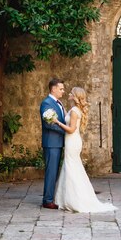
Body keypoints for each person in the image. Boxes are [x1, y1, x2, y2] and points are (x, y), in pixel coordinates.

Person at [53, 87, 117, 213]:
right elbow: (68, 117)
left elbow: (71, 129)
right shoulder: (75, 110)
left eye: (71, 93)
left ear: (75, 96)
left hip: (72, 141)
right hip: (73, 141)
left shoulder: (75, 111)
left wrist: (57, 122)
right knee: (73, 167)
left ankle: (74, 199)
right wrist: (62, 109)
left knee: (71, 168)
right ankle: (70, 197)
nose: (69, 94)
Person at [40, 77, 67, 209]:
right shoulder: (47, 103)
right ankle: (47, 200)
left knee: (54, 172)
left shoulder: (58, 103)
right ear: (54, 89)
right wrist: (66, 132)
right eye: (61, 89)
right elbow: (49, 124)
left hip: (58, 143)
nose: (63, 91)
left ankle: (51, 196)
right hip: (51, 143)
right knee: (51, 172)